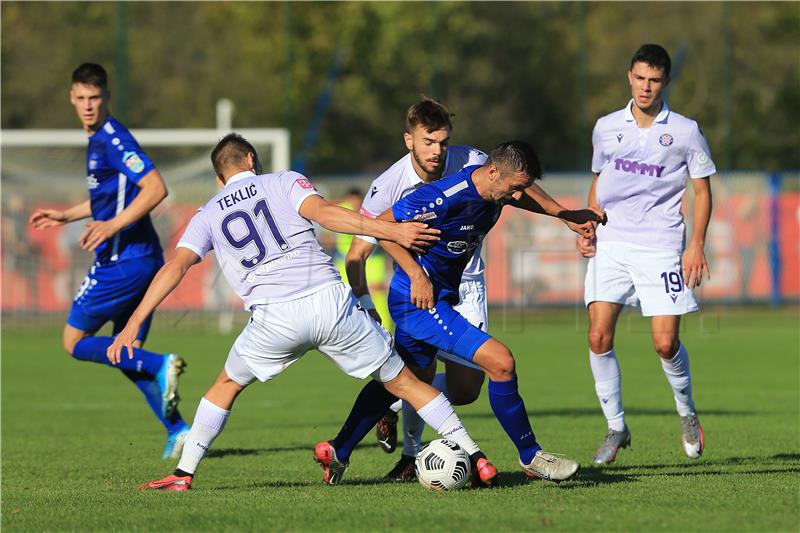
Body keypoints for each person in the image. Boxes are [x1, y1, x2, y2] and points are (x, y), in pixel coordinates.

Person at [109, 133, 499, 491]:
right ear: (251, 159)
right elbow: (327, 214)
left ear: (218, 177)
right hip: (328, 304)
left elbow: (175, 267)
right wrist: (391, 231)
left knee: (225, 386)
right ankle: (477, 456)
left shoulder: (206, 214)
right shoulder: (282, 180)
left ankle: (184, 473)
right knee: (407, 384)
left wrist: (134, 322)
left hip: (273, 320)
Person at [319, 141, 605, 483]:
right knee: (501, 362)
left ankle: (339, 449)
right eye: (514, 188)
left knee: (402, 380)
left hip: (436, 297)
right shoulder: (444, 197)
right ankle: (532, 457)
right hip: (418, 302)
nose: (516, 196)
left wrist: (565, 215)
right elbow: (384, 228)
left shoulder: (495, 188)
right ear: (494, 172)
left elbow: (524, 196)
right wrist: (416, 275)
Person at [28, 63, 189, 459]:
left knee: (73, 341)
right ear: (71, 97)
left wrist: (112, 225)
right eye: (81, 98)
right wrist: (68, 214)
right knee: (122, 350)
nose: (87, 106)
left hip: (124, 261)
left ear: (106, 98)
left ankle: (160, 363)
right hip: (143, 258)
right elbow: (110, 196)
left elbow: (155, 188)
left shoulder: (112, 139)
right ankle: (179, 429)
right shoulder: (100, 139)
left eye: (94, 98)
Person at [578, 44, 715, 464]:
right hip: (613, 243)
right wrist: (588, 225)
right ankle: (616, 428)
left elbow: (703, 190)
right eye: (640, 78)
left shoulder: (687, 131)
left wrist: (695, 244)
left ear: (666, 82)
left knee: (664, 342)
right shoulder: (605, 127)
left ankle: (686, 412)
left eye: (654, 80)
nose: (646, 87)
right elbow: (600, 183)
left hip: (660, 245)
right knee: (598, 337)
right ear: (629, 77)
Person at [348, 97, 491, 479]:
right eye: (428, 141)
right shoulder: (388, 187)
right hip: (418, 292)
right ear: (408, 140)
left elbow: (511, 185)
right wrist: (368, 305)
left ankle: (392, 405)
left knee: (467, 390)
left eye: (443, 142)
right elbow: (355, 256)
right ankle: (411, 458)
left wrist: (563, 214)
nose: (437, 151)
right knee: (419, 375)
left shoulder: (473, 162)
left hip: (470, 285)